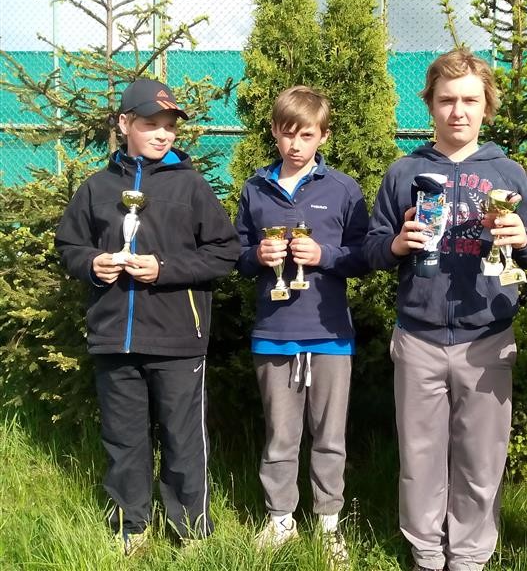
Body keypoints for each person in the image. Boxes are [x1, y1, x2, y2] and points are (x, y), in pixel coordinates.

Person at [363, 49, 527, 571]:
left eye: (469, 100)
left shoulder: (508, 172)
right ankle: (425, 552)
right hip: (418, 337)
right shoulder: (405, 172)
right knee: (419, 457)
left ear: (487, 105)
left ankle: (468, 556)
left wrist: (523, 239)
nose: (458, 111)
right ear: (430, 105)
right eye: (446, 100)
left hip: (487, 337)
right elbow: (371, 248)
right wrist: (396, 244)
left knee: (480, 459)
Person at [54, 78, 240, 554]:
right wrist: (92, 263)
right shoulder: (97, 188)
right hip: (114, 336)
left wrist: (165, 269)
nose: (162, 134)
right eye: (151, 124)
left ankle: (190, 532)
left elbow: (224, 252)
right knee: (124, 439)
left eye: (169, 126)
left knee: (183, 439)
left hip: (177, 337)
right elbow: (69, 245)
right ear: (124, 123)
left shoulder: (191, 186)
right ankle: (130, 527)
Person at [234, 85, 369, 565]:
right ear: (274, 131)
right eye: (288, 133)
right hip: (274, 333)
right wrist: (257, 254)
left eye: (306, 135)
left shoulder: (343, 189)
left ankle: (329, 524)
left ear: (323, 136)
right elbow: (235, 255)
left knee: (329, 437)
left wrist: (324, 255)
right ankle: (280, 521)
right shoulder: (255, 188)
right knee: (280, 434)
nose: (296, 144)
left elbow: (364, 256)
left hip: (330, 334)